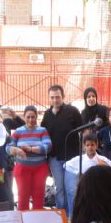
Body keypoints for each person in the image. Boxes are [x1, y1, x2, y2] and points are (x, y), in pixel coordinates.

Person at [41, 84, 83, 213]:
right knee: (60, 189)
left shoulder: (73, 111)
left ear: (63, 97)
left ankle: (73, 218)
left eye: (57, 97)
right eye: (52, 97)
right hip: (54, 159)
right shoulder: (47, 115)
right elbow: (43, 134)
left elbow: (83, 132)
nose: (55, 100)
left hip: (72, 159)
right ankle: (62, 218)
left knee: (72, 189)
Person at [6, 105, 52, 211]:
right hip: (22, 169)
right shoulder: (18, 131)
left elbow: (48, 147)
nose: (30, 120)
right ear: (24, 116)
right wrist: (16, 150)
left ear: (36, 117)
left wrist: (30, 149)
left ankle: (37, 222)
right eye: (28, 117)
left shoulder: (42, 130)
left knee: (39, 197)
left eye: (33, 117)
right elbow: (8, 148)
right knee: (23, 197)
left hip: (40, 168)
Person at [64, 133, 111, 218]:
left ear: (97, 145)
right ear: (84, 146)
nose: (90, 147)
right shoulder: (79, 159)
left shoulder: (101, 159)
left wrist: (105, 166)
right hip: (85, 190)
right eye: (87, 145)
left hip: (99, 191)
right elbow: (66, 165)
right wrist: (78, 172)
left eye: (92, 145)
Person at [1, 107, 25, 208]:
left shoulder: (6, 122)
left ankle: (10, 210)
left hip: (7, 161)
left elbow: (24, 126)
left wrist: (14, 116)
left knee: (8, 188)